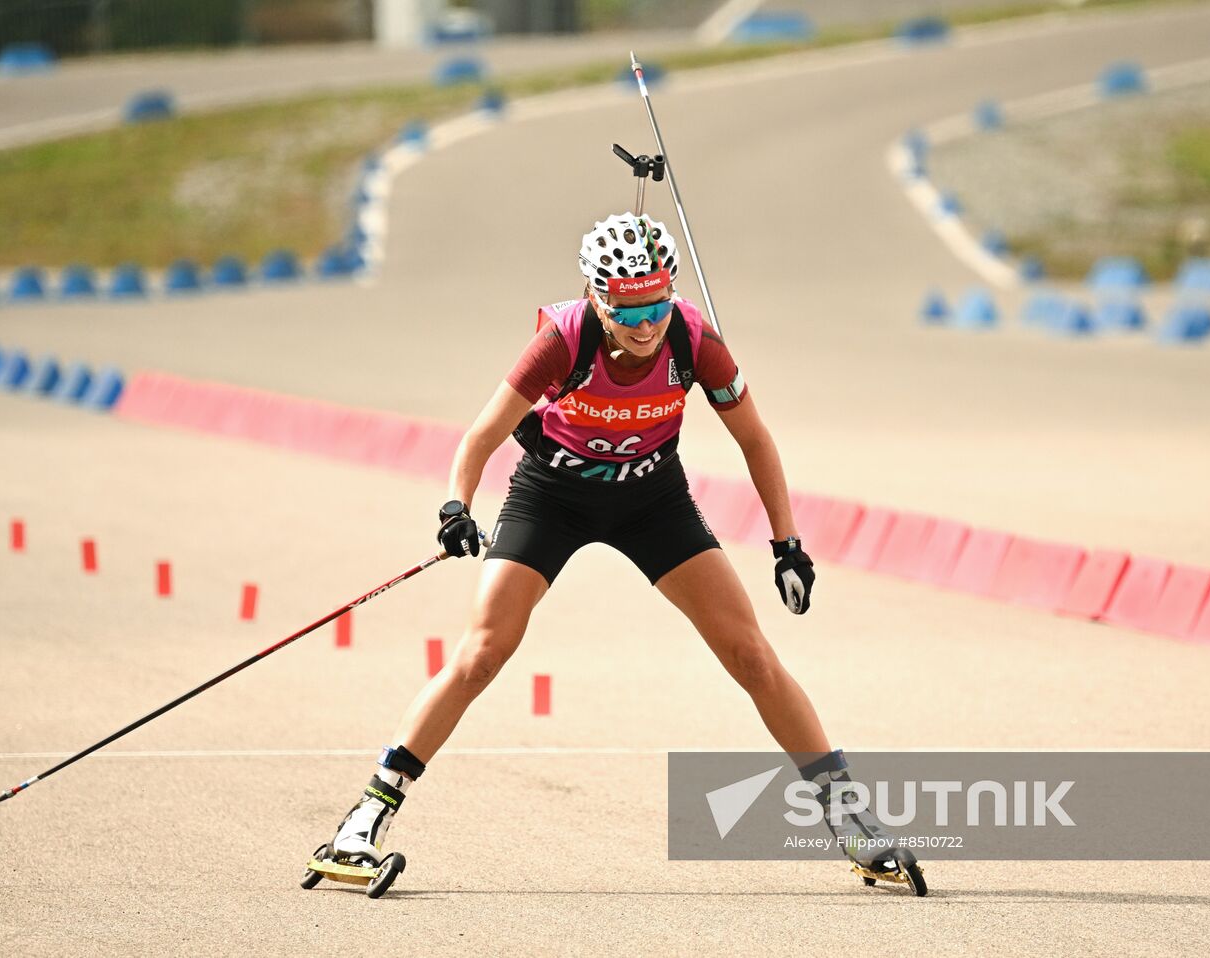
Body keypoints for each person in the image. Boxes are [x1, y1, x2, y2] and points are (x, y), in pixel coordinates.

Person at [324, 212, 911, 887]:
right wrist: (456, 506)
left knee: (750, 653)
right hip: (551, 498)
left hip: (651, 501)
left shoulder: (694, 339)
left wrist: (788, 544)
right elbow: (482, 435)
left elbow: (756, 440)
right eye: (626, 308)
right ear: (596, 295)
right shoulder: (560, 341)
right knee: (483, 652)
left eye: (656, 303)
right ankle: (364, 818)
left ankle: (850, 820)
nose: (644, 323)